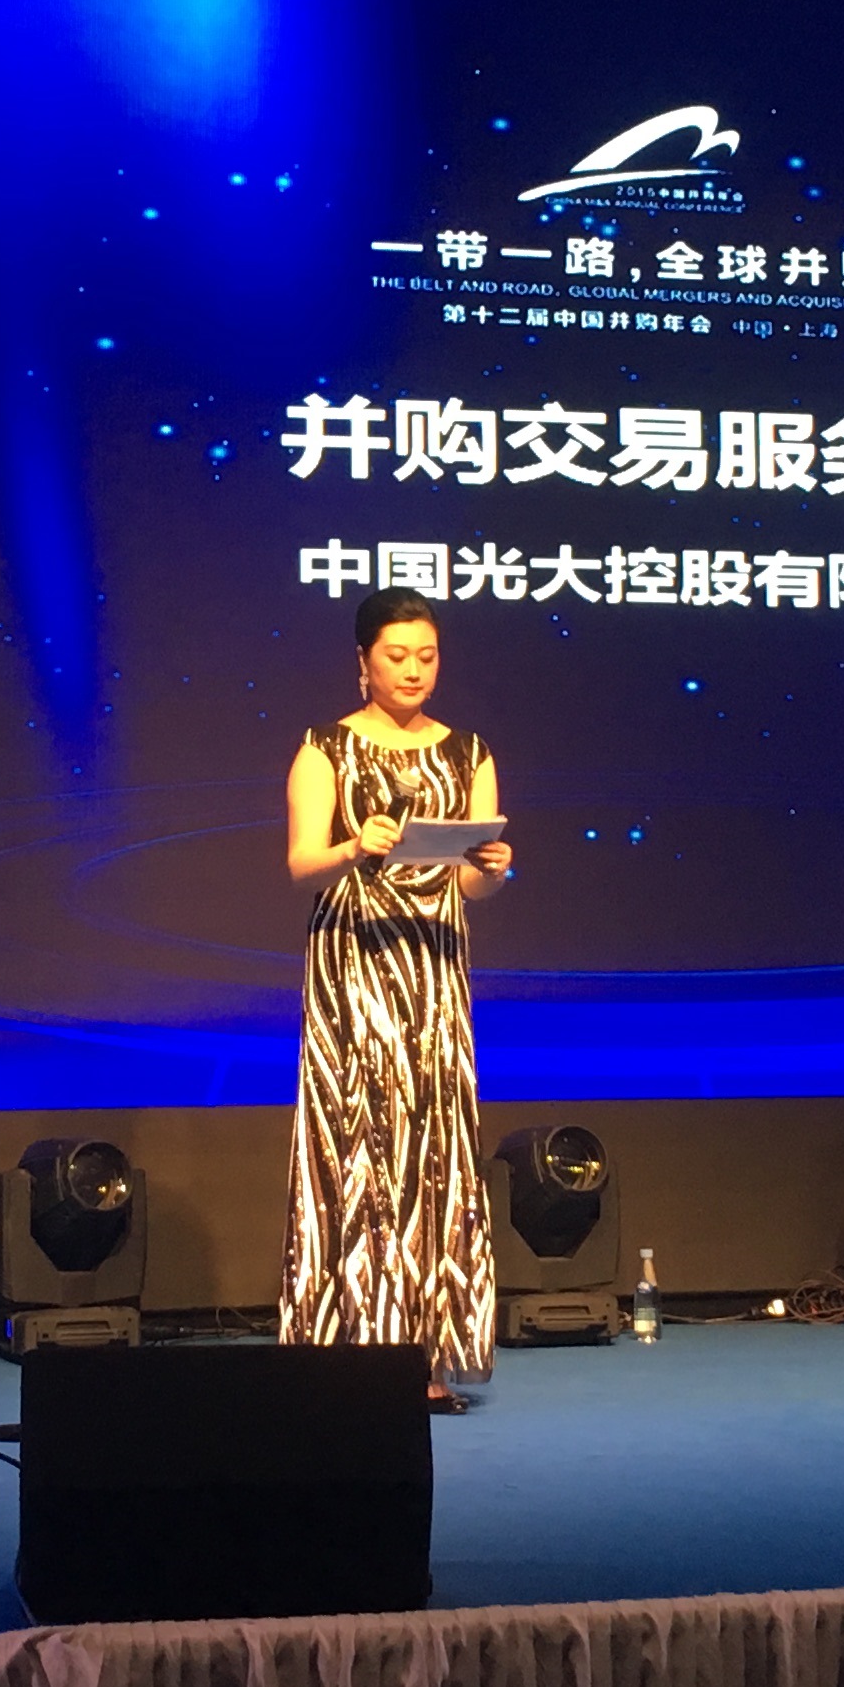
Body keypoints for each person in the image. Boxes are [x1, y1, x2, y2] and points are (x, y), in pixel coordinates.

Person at [282, 589, 515, 1411]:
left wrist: (492, 868)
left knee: (432, 1155)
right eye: (396, 655)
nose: (413, 670)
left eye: (426, 655)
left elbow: (474, 888)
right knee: (356, 1152)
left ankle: (423, 1356)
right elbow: (301, 866)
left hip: (433, 977)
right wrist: (355, 845)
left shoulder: (468, 752)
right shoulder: (324, 748)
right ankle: (343, 1356)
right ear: (363, 660)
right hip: (353, 973)